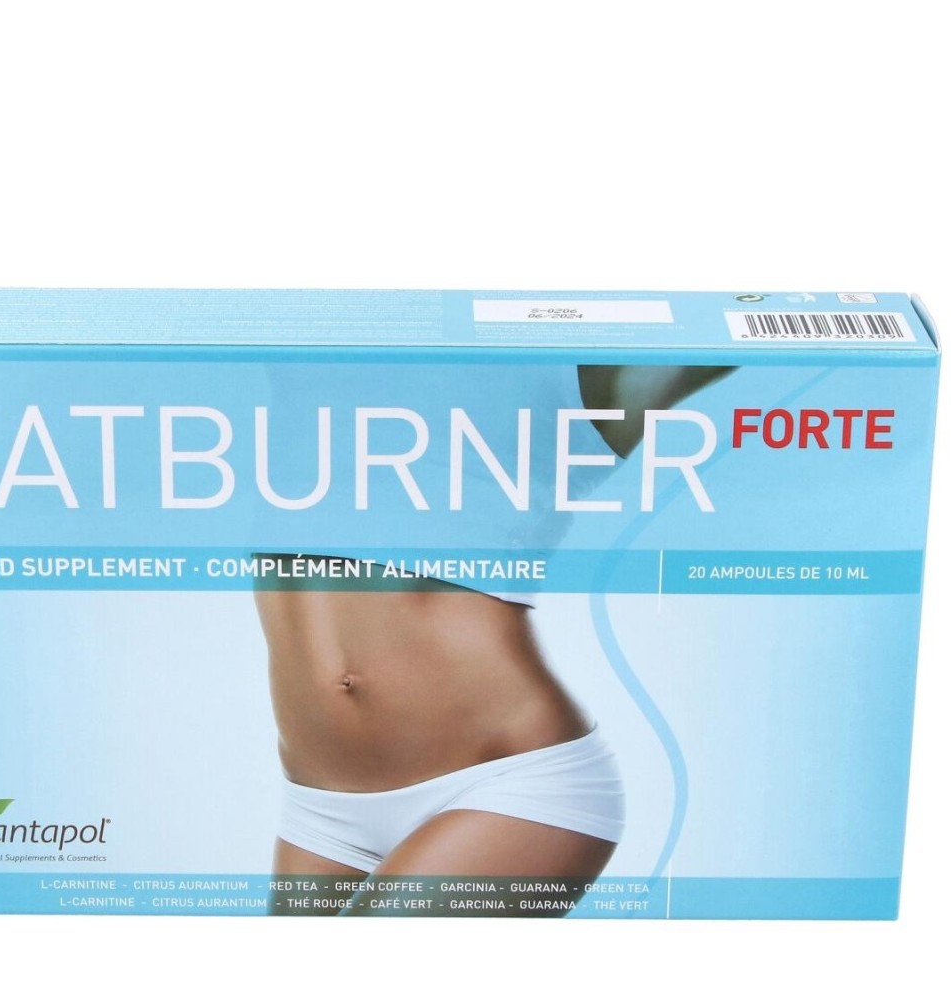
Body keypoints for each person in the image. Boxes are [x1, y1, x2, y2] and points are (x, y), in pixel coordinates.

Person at [256, 363, 732, 916]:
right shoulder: (314, 353)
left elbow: (713, 343)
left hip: (507, 785)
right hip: (319, 808)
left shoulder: (573, 377)